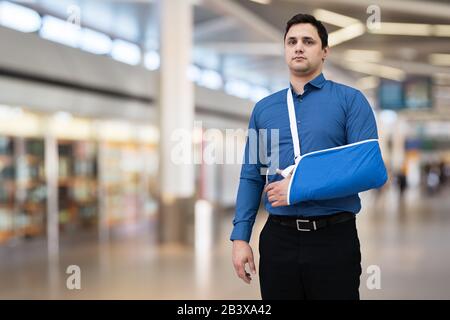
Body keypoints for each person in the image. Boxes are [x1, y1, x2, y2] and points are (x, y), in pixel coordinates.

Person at [231, 13, 383, 300]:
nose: (298, 47)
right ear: (285, 49)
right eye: (292, 41)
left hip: (334, 239)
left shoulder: (350, 101)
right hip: (278, 239)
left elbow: (370, 170)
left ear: (324, 51)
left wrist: (300, 186)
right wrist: (241, 237)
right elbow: (252, 175)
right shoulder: (264, 109)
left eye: (308, 41)